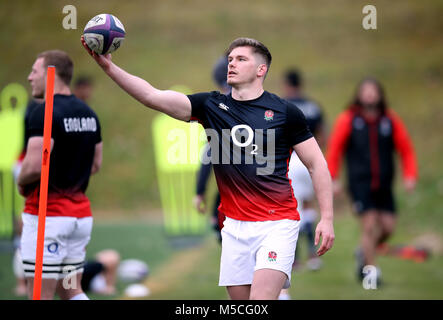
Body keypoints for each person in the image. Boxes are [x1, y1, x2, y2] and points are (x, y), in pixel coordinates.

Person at [81, 36, 334, 300]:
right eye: (230, 59)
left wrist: (326, 218)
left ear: (261, 70)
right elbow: (150, 96)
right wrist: (108, 67)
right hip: (234, 227)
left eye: (241, 59)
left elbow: (317, 164)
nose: (232, 64)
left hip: (276, 223)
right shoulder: (211, 106)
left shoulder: (285, 112)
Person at [17, 50, 103, 300]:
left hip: (49, 218)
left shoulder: (44, 111)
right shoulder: (89, 114)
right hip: (79, 219)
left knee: (40, 294)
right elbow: (95, 165)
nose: (30, 77)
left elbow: (33, 166)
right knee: (71, 291)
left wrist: (21, 183)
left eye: (34, 72)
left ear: (49, 74)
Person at [326, 77, 417, 283]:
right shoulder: (348, 119)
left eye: (373, 90)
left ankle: (363, 251)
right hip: (360, 184)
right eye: (365, 90)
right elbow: (334, 151)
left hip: (384, 185)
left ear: (380, 94)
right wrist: (334, 179)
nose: (369, 94)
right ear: (359, 94)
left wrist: (410, 175)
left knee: (387, 228)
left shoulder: (390, 120)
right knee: (368, 226)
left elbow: (406, 150)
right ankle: (371, 274)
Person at [278, 69, 326, 300]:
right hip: (312, 158)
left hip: (292, 159)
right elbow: (323, 135)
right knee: (308, 206)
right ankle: (313, 256)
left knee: (293, 209)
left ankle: (294, 259)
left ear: (287, 84)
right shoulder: (313, 106)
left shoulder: (282, 105)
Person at [193, 56, 230, 243]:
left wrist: (199, 192)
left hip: (232, 199)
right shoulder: (262, 104)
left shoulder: (218, 108)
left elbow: (208, 156)